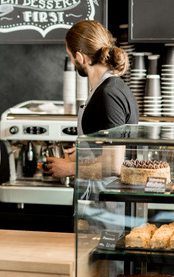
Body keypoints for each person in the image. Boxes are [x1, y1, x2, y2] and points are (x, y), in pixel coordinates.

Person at [42, 20, 139, 179]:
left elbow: (114, 164)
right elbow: (105, 146)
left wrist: (70, 169)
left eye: (70, 55)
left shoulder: (109, 95)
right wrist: (84, 151)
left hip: (108, 198)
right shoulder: (106, 89)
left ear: (80, 57)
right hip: (98, 194)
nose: (72, 62)